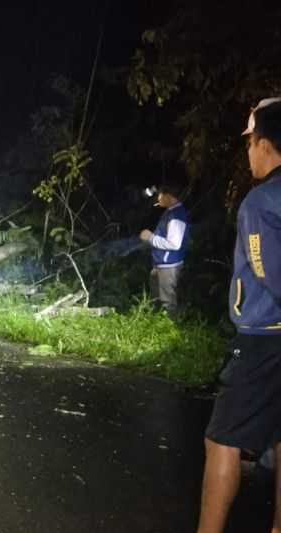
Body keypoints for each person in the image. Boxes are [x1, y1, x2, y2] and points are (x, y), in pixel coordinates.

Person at [197, 97, 281, 533]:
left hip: (264, 338)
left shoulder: (260, 202)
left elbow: (270, 271)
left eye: (250, 143)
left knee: (222, 439)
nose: (248, 151)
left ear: (265, 144)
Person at [139, 180, 190, 313]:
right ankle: (156, 321)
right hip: (161, 264)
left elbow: (174, 244)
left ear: (168, 196)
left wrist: (150, 237)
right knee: (156, 299)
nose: (157, 198)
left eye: (159, 195)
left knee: (168, 302)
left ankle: (170, 326)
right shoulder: (171, 211)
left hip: (169, 266)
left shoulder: (176, 215)